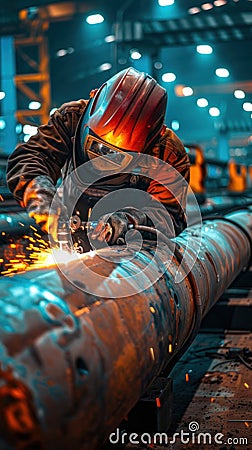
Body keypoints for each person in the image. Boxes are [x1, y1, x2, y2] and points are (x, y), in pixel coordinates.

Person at [6, 67, 190, 252]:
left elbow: (168, 213)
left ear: (152, 139)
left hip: (131, 244)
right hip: (68, 220)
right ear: (92, 100)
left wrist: (128, 221)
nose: (103, 163)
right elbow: (32, 157)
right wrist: (45, 202)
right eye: (97, 146)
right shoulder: (71, 119)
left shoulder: (167, 151)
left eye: (118, 156)